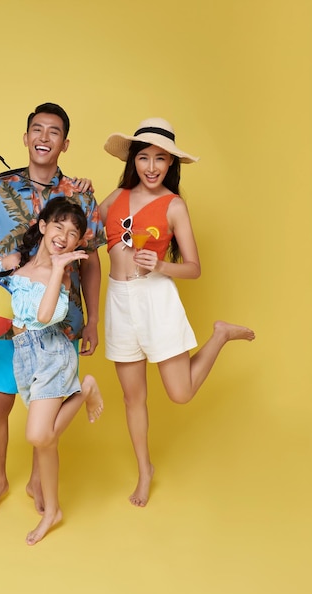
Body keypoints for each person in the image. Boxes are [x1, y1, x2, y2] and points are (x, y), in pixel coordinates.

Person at [0, 103, 105, 518]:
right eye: (36, 130)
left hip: (58, 321)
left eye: (53, 132)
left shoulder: (80, 193)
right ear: (26, 138)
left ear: (65, 144)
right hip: (6, 320)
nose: (44, 138)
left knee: (44, 404)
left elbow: (94, 261)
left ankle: (36, 479)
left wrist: (95, 321)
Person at [98, 117, 255, 508]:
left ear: (172, 164)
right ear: (133, 160)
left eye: (161, 159)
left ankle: (219, 334)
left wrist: (162, 266)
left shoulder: (174, 205)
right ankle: (144, 470)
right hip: (119, 300)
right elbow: (81, 226)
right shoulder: (115, 196)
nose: (152, 167)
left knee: (180, 393)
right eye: (145, 157)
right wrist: (79, 194)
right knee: (133, 399)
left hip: (157, 298)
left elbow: (195, 267)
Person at [0, 198, 104, 545]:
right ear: (43, 226)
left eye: (73, 233)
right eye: (58, 226)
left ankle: (83, 391)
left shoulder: (57, 280)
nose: (64, 235)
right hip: (23, 357)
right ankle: (51, 504)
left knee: (37, 436)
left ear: (77, 244)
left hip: (54, 358)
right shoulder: (14, 264)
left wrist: (60, 268)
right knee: (46, 440)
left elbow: (44, 317)